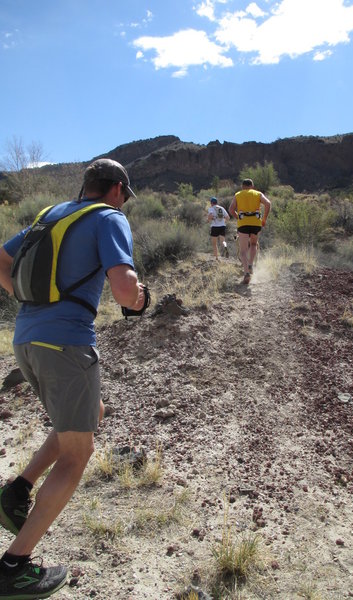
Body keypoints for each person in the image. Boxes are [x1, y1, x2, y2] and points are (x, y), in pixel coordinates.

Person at [0, 158, 147, 599]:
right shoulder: (110, 218)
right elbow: (124, 289)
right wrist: (139, 300)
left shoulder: (52, 215)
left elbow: (0, 258)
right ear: (117, 189)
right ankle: (13, 567)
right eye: (125, 196)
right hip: (66, 343)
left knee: (91, 412)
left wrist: (30, 300)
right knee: (77, 455)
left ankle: (16, 492)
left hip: (27, 340)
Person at [228, 178, 271, 284]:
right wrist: (264, 219)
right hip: (256, 223)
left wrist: (238, 217)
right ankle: (251, 264)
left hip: (243, 224)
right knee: (253, 244)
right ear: (252, 186)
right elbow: (268, 203)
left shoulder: (238, 194)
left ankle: (246, 273)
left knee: (243, 251)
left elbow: (231, 210)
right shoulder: (257, 194)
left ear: (242, 186)